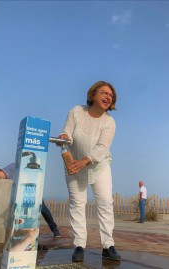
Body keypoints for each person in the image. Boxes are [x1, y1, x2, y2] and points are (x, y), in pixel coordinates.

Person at [58, 81, 121, 262]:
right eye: (104, 92)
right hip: (74, 166)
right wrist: (64, 138)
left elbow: (102, 148)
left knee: (105, 203)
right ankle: (79, 245)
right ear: (93, 94)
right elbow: (67, 133)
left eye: (111, 95)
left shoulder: (109, 122)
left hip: (98, 165)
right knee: (77, 203)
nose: (108, 97)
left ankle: (108, 246)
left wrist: (84, 161)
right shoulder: (76, 112)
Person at [0, 164, 61, 237]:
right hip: (19, 196)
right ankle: (20, 234)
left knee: (43, 209)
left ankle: (55, 230)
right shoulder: (3, 180)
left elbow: (29, 171)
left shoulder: (12, 167)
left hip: (31, 190)